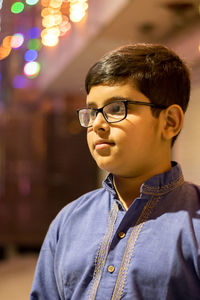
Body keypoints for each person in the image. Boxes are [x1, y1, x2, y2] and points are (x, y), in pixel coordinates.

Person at [30, 43, 200, 300]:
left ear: (169, 122)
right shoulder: (69, 220)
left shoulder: (193, 223)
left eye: (116, 109)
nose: (97, 123)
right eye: (92, 111)